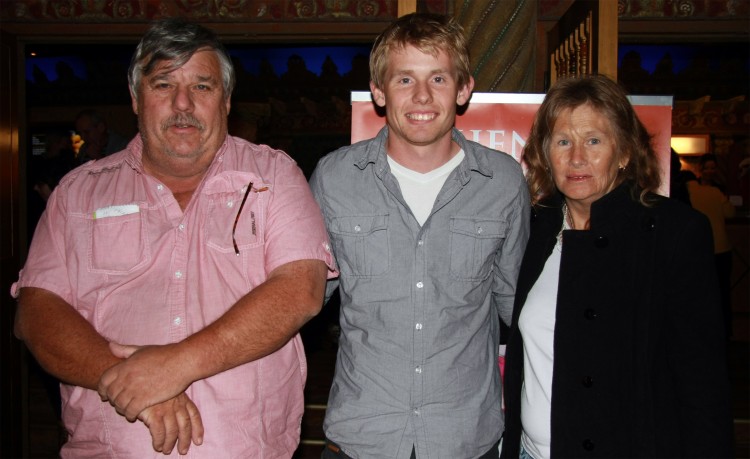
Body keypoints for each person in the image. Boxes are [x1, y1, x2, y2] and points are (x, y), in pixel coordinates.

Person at [13, 18, 334, 458]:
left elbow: (300, 290)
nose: (183, 103)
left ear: (225, 101)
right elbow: (37, 313)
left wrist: (176, 365)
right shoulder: (77, 192)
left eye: (202, 87)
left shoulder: (273, 176)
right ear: (135, 98)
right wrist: (133, 381)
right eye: (163, 84)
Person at [309, 13, 530, 459]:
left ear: (464, 88)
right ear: (378, 91)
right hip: (362, 436)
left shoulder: (503, 181)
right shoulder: (334, 177)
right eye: (405, 79)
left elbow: (521, 305)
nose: (422, 96)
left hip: (466, 437)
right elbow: (306, 295)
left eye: (439, 78)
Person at [500, 74, 734, 458]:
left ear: (624, 152)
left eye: (594, 140)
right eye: (562, 141)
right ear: (545, 153)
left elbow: (702, 383)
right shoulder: (536, 227)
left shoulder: (673, 233)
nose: (577, 157)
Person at [684, 169, 736, 339]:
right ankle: (726, 333)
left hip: (695, 250)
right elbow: (731, 213)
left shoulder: (685, 195)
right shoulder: (715, 191)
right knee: (722, 293)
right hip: (721, 247)